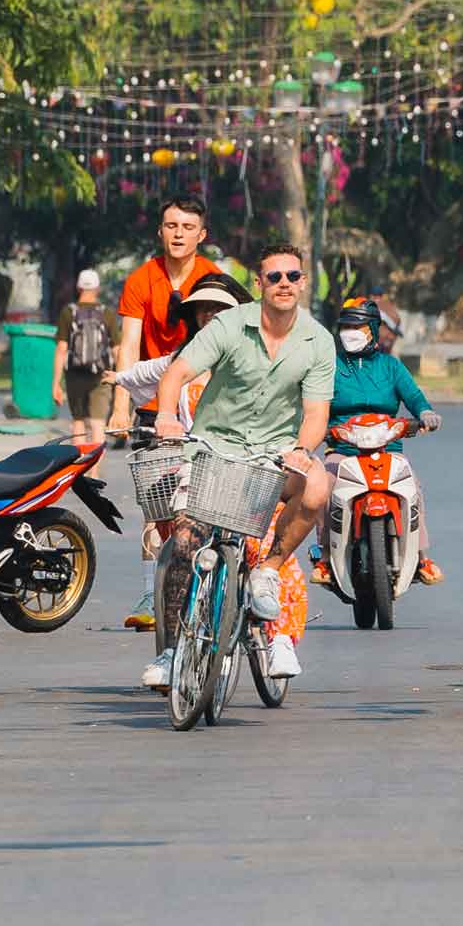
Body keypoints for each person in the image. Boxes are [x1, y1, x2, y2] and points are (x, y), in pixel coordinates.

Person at [148, 243, 335, 690]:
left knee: (318, 488)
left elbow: (315, 415)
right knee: (186, 541)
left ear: (303, 282)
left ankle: (268, 570)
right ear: (260, 284)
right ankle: (172, 651)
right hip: (214, 449)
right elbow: (175, 375)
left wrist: (303, 451)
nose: (284, 284)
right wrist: (167, 416)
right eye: (275, 277)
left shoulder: (318, 341)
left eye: (292, 276)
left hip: (275, 455)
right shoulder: (230, 325)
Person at [113, 199, 232, 630]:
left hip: (209, 404)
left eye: (188, 226)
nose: (178, 233)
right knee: (156, 506)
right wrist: (120, 405)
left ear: (202, 235)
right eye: (171, 225)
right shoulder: (141, 279)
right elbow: (128, 346)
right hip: (154, 405)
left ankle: (222, 579)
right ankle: (151, 590)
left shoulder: (215, 280)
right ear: (160, 232)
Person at [318, 295, 442, 588]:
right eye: (346, 326)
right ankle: (324, 558)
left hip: (389, 449)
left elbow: (413, 396)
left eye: (357, 326)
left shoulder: (391, 367)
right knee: (324, 487)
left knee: (412, 487)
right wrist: (317, 427)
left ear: (372, 329)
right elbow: (315, 403)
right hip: (343, 451)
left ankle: (421, 557)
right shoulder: (329, 366)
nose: (350, 332)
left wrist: (424, 412)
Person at [58, 267, 111, 441]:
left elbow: (61, 348)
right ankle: (94, 469)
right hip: (101, 374)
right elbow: (118, 348)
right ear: (97, 288)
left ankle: (79, 466)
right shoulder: (106, 313)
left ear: (78, 287)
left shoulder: (68, 312)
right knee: (98, 424)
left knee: (78, 421)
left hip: (74, 374)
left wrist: (55, 384)